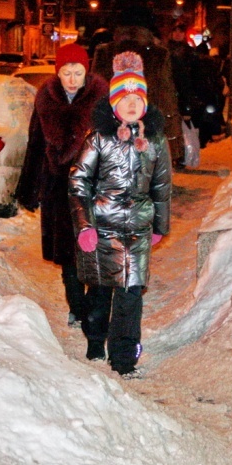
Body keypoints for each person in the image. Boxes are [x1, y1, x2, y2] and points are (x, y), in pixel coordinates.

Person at [69, 51, 172, 378]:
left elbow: (162, 185)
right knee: (101, 291)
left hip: (138, 228)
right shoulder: (98, 138)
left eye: (137, 98)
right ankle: (95, 338)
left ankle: (124, 359)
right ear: (114, 103)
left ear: (145, 103)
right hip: (102, 226)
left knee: (131, 294)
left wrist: (160, 225)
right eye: (124, 98)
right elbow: (78, 180)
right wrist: (85, 225)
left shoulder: (155, 140)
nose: (131, 104)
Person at [14, 43, 109, 329]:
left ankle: (93, 305)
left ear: (86, 72)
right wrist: (29, 188)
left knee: (93, 248)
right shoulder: (46, 100)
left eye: (77, 72)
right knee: (67, 253)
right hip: (57, 188)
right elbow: (35, 144)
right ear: (57, 73)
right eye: (66, 73)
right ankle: (77, 308)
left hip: (92, 189)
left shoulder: (100, 100)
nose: (71, 79)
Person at [91, 6, 185, 168]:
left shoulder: (104, 52)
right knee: (144, 173)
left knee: (111, 172)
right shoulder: (159, 54)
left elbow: (95, 93)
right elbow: (166, 96)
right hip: (147, 126)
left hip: (110, 124)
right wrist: (173, 140)